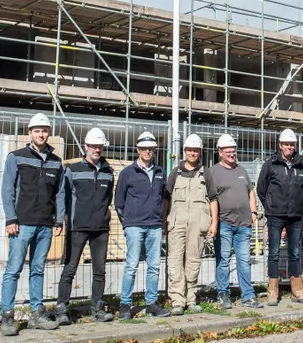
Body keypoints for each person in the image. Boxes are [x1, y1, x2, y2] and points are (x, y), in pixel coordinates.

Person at [1, 113, 63, 336]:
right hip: (21, 224)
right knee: (13, 270)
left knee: (38, 269)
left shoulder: (56, 162)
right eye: (37, 130)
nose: (41, 134)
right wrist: (10, 218)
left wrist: (58, 220)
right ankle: (7, 315)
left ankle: (37, 313)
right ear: (29, 133)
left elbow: (59, 193)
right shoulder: (16, 157)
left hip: (45, 225)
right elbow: (7, 190)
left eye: (44, 130)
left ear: (48, 133)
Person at [54, 127, 115, 326]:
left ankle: (97, 307)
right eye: (93, 146)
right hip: (77, 227)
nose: (96, 150)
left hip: (101, 229)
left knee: (100, 269)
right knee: (70, 268)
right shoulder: (72, 170)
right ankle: (62, 308)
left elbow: (108, 198)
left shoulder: (108, 172)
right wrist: (61, 220)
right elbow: (62, 195)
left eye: (100, 147)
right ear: (85, 146)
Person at [115, 131, 170, 320]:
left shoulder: (160, 172)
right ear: (138, 149)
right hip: (135, 226)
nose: (147, 151)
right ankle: (125, 304)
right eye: (144, 148)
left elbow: (164, 198)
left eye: (151, 148)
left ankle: (152, 303)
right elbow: (119, 201)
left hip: (154, 225)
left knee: (154, 266)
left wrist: (161, 219)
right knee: (131, 265)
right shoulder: (127, 173)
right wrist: (127, 223)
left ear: (154, 150)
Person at [207, 134, 262, 310]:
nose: (232, 154)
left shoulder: (241, 170)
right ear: (220, 152)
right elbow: (209, 197)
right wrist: (213, 221)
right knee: (223, 260)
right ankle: (223, 294)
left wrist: (253, 212)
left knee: (244, 260)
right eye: (229, 152)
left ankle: (248, 295)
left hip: (244, 224)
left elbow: (250, 192)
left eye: (234, 151)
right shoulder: (213, 172)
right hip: (224, 223)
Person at [257, 128, 303, 305]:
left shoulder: (301, 164)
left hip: (295, 216)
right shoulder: (271, 164)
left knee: (295, 253)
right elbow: (261, 188)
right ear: (280, 145)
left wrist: (301, 209)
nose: (289, 146)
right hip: (275, 216)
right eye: (287, 144)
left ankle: (298, 291)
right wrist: (270, 206)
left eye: (292, 144)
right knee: (273, 252)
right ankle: (273, 291)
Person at [162, 133, 215, 316]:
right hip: (177, 225)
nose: (193, 153)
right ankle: (177, 300)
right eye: (190, 150)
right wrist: (164, 221)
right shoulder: (175, 173)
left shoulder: (206, 174)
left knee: (193, 260)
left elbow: (213, 199)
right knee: (175, 260)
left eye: (196, 150)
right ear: (185, 151)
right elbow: (166, 199)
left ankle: (191, 298)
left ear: (200, 152)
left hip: (198, 225)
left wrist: (214, 222)